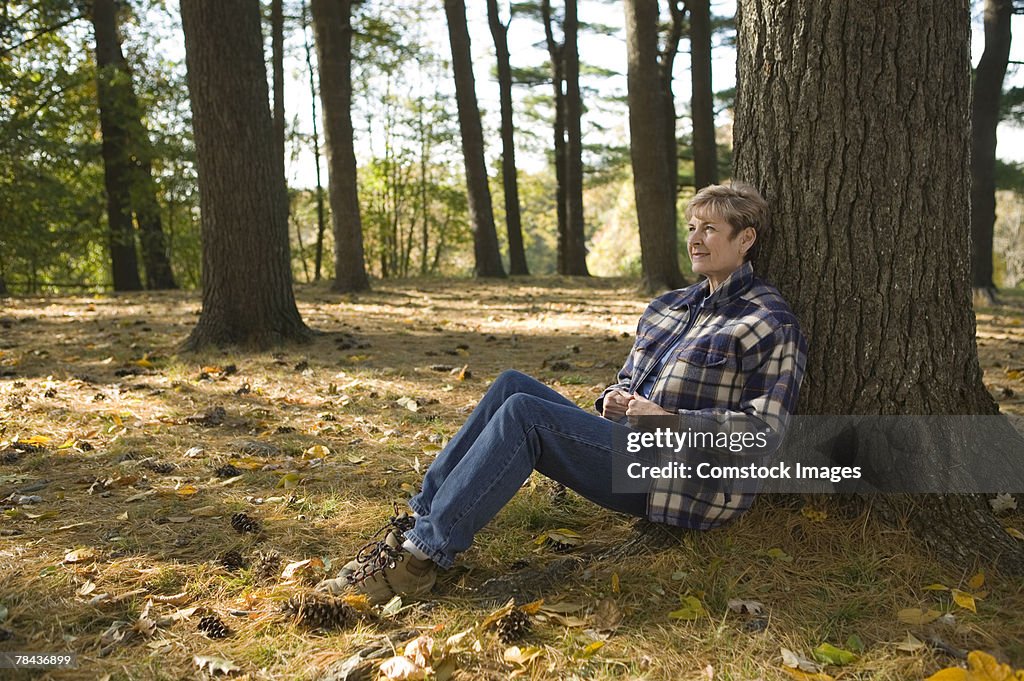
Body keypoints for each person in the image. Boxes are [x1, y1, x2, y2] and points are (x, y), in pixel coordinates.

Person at [318, 181, 808, 604]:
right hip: (629, 448)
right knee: (512, 383)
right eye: (692, 227)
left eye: (710, 229)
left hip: (684, 478)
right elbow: (626, 381)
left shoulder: (766, 321)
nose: (695, 239)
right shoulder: (668, 307)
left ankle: (418, 561)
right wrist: (613, 400)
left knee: (526, 415)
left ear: (745, 239)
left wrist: (668, 419)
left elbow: (765, 436)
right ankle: (416, 525)